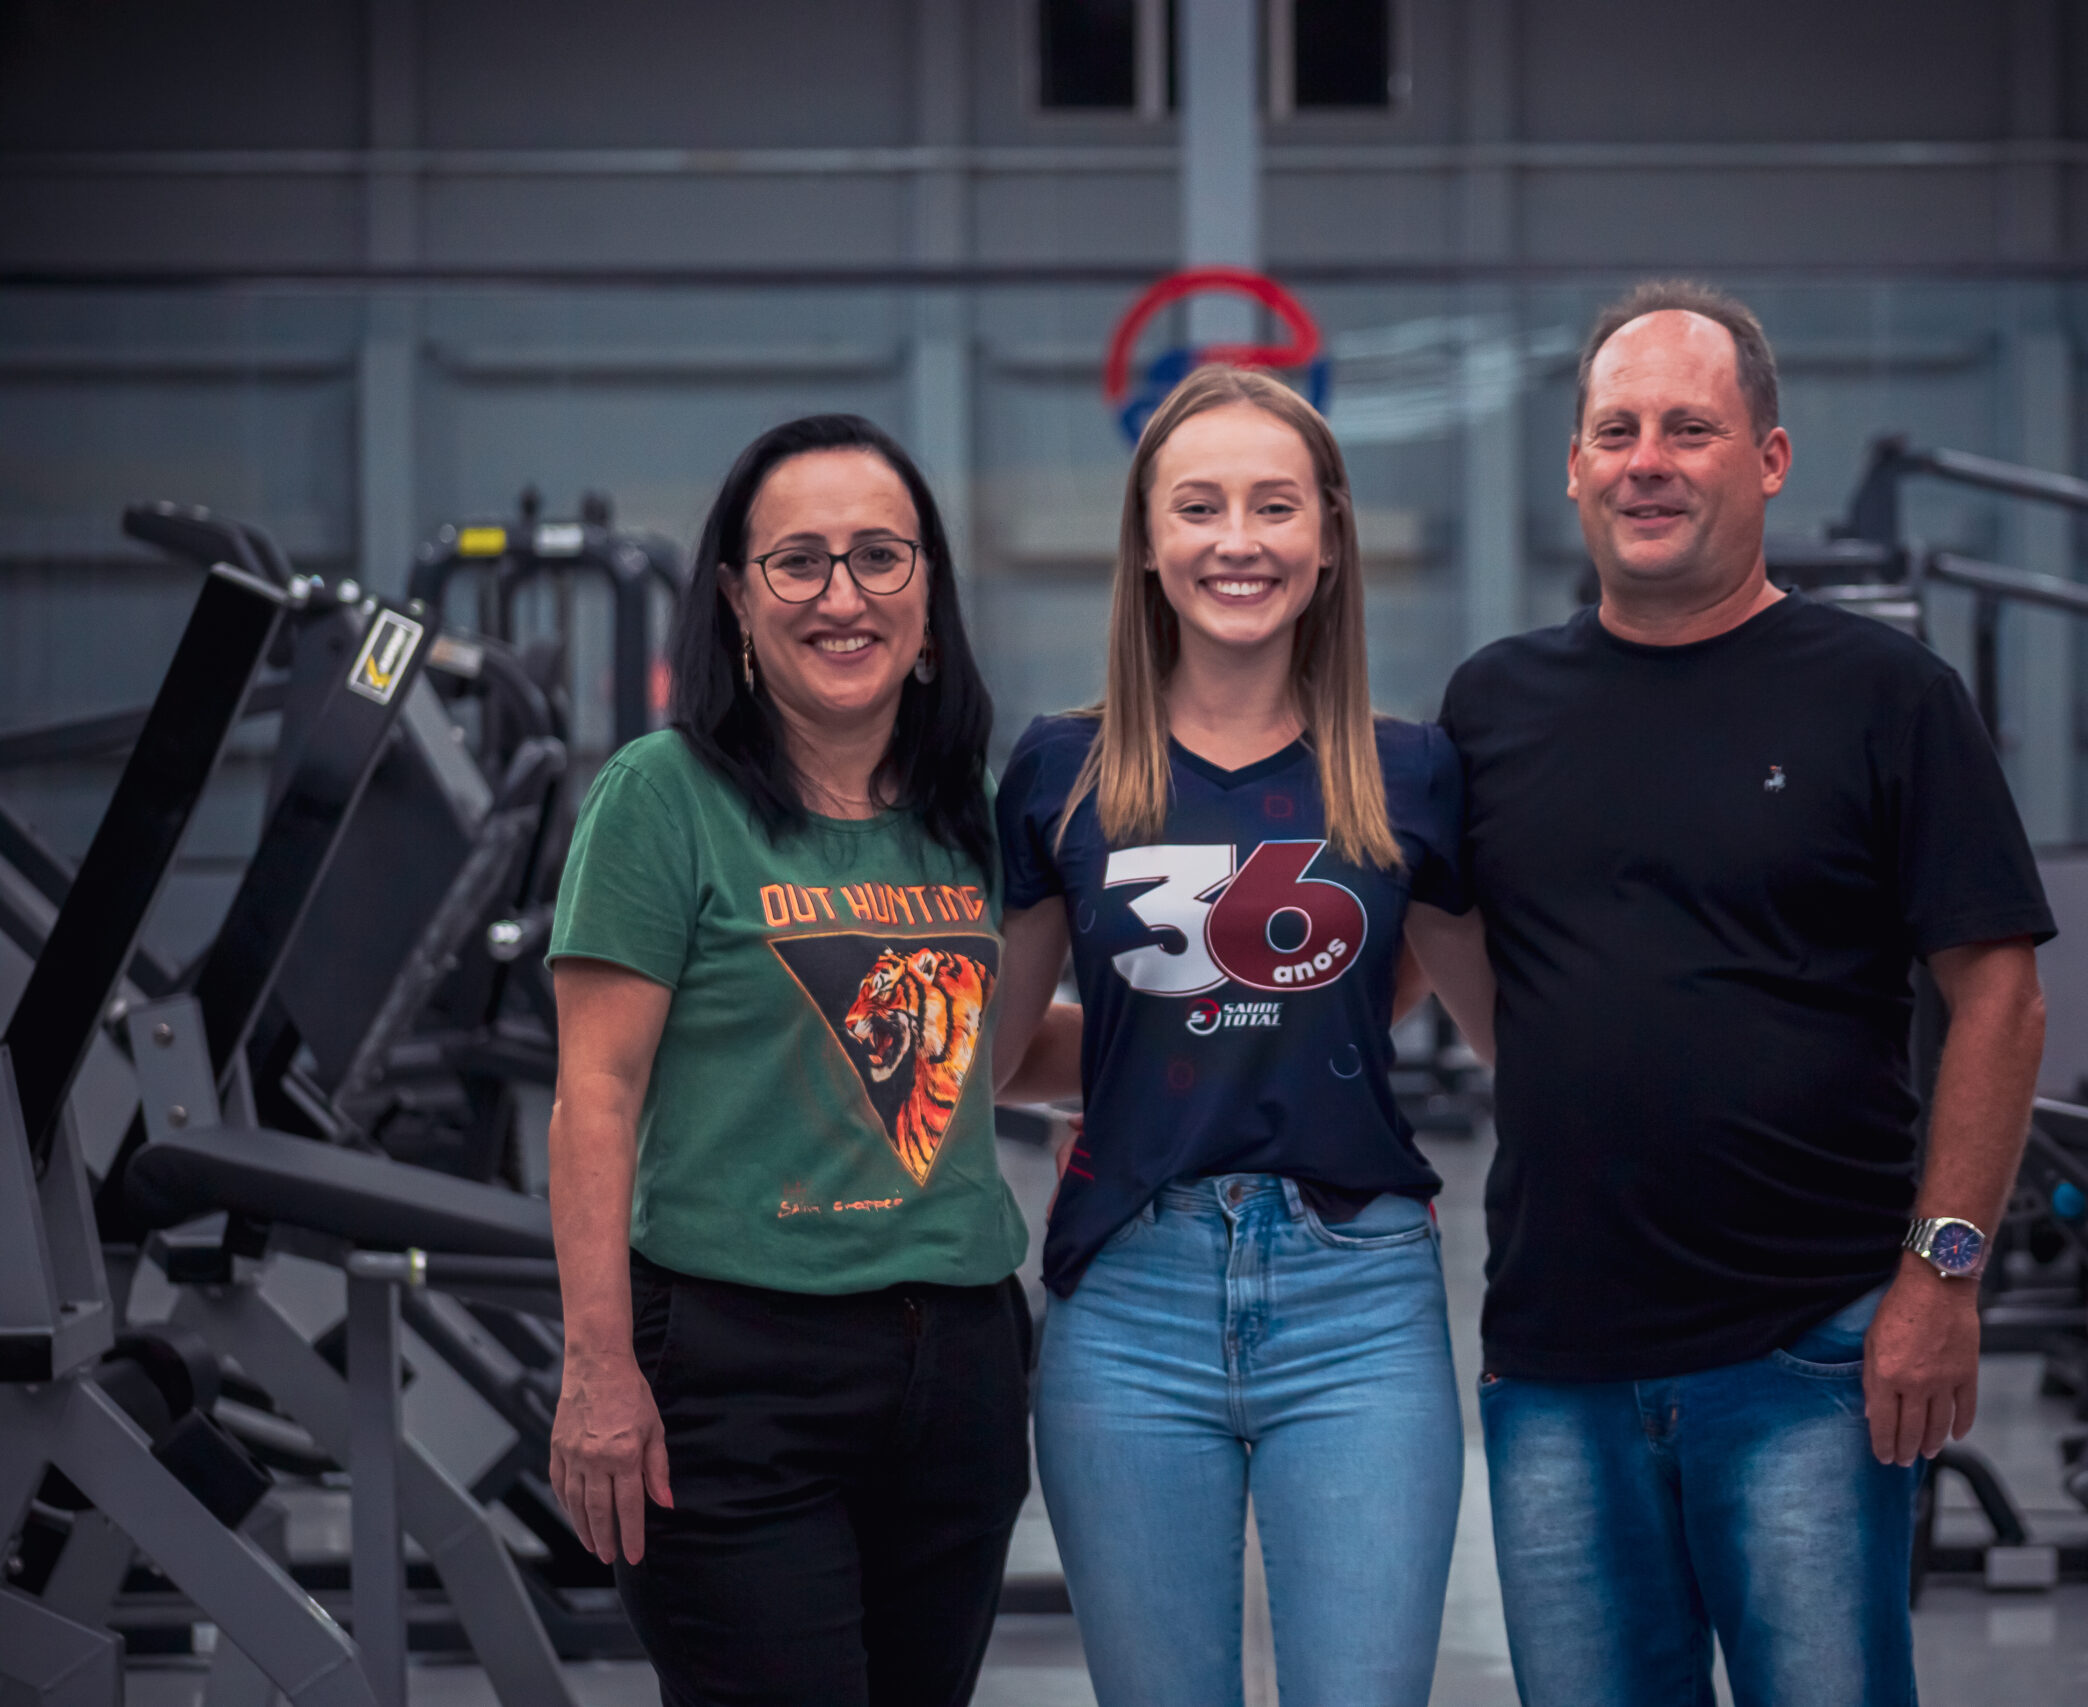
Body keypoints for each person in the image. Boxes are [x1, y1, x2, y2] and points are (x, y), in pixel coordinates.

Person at [1435, 282, 2054, 1706]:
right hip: (1556, 1366)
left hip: (1810, 1355)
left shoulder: (1887, 696)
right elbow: (1479, 970)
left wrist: (1942, 1279)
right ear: (1575, 466)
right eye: (1617, 431)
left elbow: (2001, 1000)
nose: (1647, 462)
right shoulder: (1492, 707)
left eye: (1690, 429)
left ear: (1768, 459)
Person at [545, 414, 1077, 1707]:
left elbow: (981, 1056)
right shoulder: (663, 797)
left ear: (928, 596)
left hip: (959, 1368)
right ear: (737, 599)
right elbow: (595, 1095)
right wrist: (598, 1368)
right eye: (799, 562)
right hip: (735, 1377)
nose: (844, 597)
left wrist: (1231, 1038)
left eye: (880, 557)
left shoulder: (971, 810)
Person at [989, 365, 1494, 1707]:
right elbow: (988, 1057)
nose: (1238, 541)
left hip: (1359, 1301)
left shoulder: (1410, 771)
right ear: (1148, 544)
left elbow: (1498, 1029)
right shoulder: (1058, 771)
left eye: (1275, 506)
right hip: (1127, 1300)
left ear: (1327, 538)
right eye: (1199, 506)